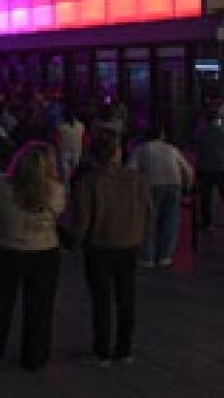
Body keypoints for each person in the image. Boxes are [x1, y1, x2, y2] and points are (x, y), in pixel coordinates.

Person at [0, 144, 65, 372]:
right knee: (40, 307)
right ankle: (34, 355)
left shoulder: (1, 189)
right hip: (43, 251)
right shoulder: (54, 191)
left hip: (9, 249)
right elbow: (59, 213)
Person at [70, 131, 152, 366]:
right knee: (127, 297)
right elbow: (148, 210)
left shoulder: (89, 182)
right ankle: (124, 347)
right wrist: (143, 233)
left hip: (100, 245)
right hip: (129, 243)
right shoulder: (136, 179)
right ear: (118, 152)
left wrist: (76, 241)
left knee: (101, 299)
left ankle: (102, 349)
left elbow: (82, 220)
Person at [126, 123, 193, 268]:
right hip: (173, 184)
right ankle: (165, 256)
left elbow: (130, 171)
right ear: (162, 135)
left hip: (150, 185)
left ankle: (146, 257)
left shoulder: (141, 150)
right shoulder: (171, 149)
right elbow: (187, 169)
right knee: (170, 221)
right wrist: (188, 186)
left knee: (148, 221)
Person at [193, 98, 224, 229]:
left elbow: (198, 138)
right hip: (221, 164)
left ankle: (212, 221)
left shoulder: (211, 121)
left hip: (211, 165)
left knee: (210, 197)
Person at [54, 107, 85, 188]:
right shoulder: (60, 126)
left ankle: (74, 191)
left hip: (77, 152)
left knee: (76, 174)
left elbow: (83, 139)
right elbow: (56, 139)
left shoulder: (80, 126)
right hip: (64, 152)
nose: (71, 116)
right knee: (65, 176)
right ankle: (67, 193)